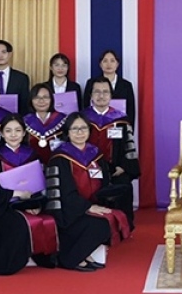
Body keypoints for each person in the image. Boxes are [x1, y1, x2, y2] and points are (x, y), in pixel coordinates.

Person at [45, 113, 127, 272]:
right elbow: (64, 192)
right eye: (74, 129)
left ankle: (83, 253)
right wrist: (88, 207)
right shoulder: (60, 158)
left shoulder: (95, 154)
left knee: (115, 217)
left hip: (91, 205)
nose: (80, 132)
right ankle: (70, 259)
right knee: (101, 225)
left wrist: (107, 198)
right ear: (67, 133)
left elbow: (103, 182)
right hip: (69, 211)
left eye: (83, 128)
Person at [0, 114, 45, 275]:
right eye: (8, 131)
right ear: (1, 133)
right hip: (2, 206)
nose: (13, 135)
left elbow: (41, 185)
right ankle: (6, 264)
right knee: (14, 222)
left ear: (24, 133)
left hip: (27, 205)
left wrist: (36, 204)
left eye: (18, 130)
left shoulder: (32, 155)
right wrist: (14, 193)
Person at [82, 76, 140, 229]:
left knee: (124, 185)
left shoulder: (120, 119)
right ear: (91, 95)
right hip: (88, 168)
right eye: (97, 92)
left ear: (111, 95)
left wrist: (123, 167)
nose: (101, 96)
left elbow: (129, 146)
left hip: (116, 169)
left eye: (105, 92)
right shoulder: (82, 119)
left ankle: (123, 227)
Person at [82, 49, 137, 127]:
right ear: (100, 64)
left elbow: (131, 111)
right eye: (105, 61)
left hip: (119, 127)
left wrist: (129, 131)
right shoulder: (91, 83)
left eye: (112, 61)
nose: (109, 64)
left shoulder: (126, 85)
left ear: (117, 64)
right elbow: (86, 106)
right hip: (95, 127)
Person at [24, 83, 67, 163]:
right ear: (31, 100)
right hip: (31, 165)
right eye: (37, 97)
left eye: (45, 97)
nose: (41, 101)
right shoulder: (25, 122)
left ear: (51, 99)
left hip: (58, 163)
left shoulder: (63, 120)